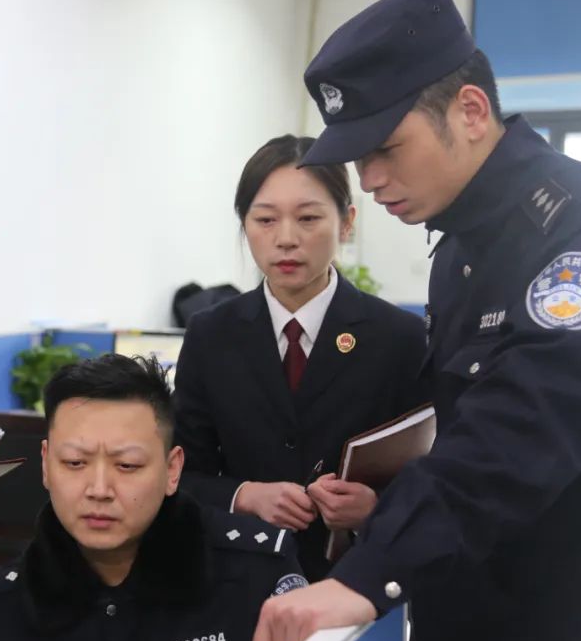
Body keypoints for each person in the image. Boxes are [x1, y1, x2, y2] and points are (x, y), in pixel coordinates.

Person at [252, 0, 581, 641]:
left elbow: (520, 430)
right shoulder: (459, 248)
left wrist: (368, 578)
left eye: (386, 149)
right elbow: (458, 435)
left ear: (469, 111)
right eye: (359, 158)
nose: (371, 181)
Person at [0, 354, 306, 641]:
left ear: (172, 470)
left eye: (127, 465)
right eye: (75, 462)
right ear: (45, 465)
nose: (99, 490)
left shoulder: (254, 576)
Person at [174, 134, 429, 582]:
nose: (286, 239)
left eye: (308, 218)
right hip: (238, 578)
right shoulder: (211, 335)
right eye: (265, 219)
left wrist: (375, 507)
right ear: (244, 225)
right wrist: (244, 495)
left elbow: (432, 472)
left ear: (346, 222)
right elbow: (180, 474)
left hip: (356, 581)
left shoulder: (398, 338)